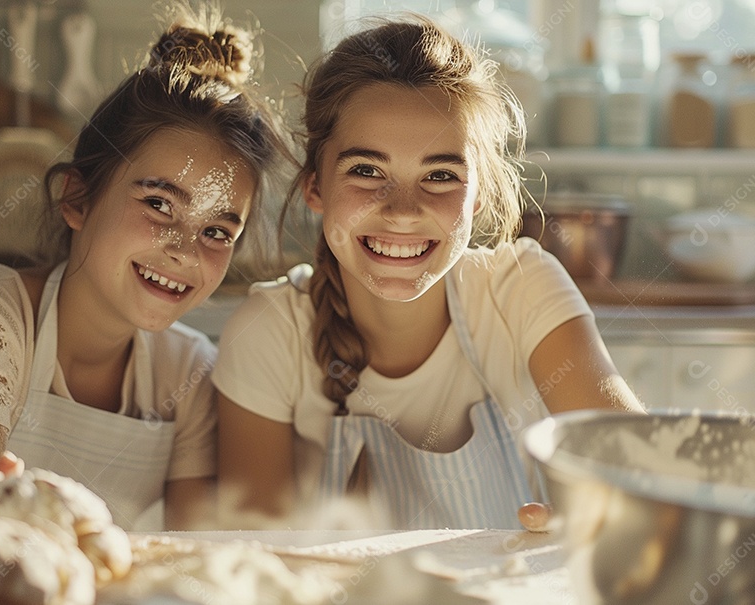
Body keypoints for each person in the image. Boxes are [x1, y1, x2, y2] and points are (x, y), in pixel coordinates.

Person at [0, 4, 289, 534]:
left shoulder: (191, 372)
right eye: (159, 204)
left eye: (217, 232)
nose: (185, 251)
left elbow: (190, 559)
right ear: (77, 199)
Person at [212, 16, 644, 530]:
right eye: (367, 171)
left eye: (440, 176)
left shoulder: (521, 289)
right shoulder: (269, 332)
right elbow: (253, 568)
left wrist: (605, 514)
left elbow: (638, 473)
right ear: (315, 187)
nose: (402, 210)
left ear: (479, 194)